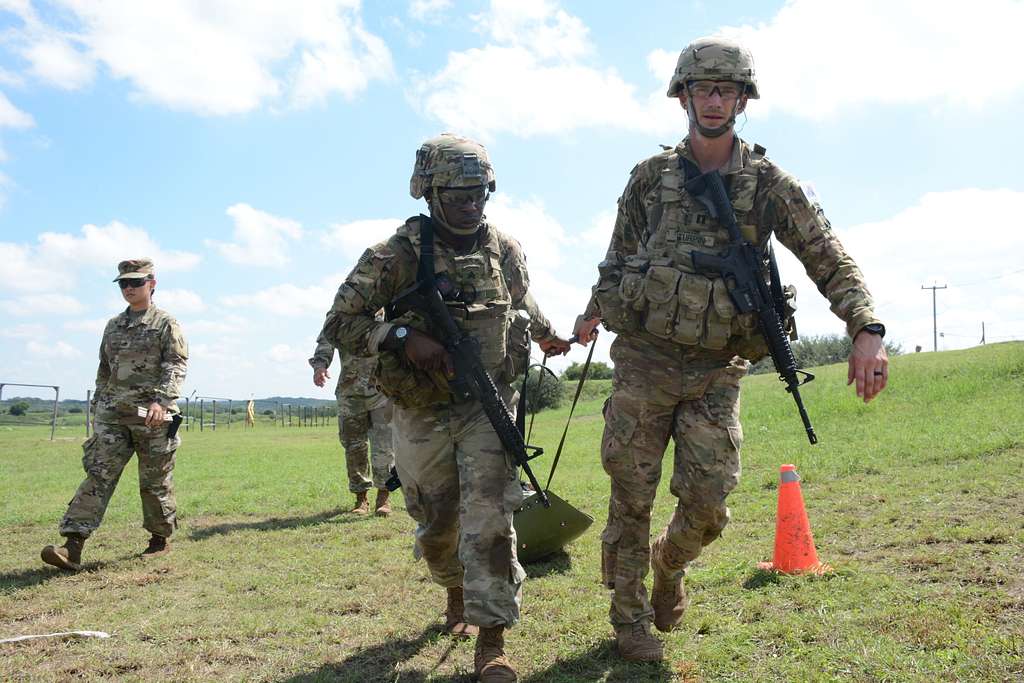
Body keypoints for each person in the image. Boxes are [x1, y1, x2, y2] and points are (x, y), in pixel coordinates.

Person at [573, 37, 889, 661]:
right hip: (645, 360)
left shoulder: (768, 184)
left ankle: (671, 563)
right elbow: (618, 259)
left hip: (719, 368)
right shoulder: (648, 179)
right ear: (683, 96)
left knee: (710, 505)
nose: (715, 101)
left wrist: (866, 327)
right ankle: (629, 619)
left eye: (727, 90)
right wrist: (593, 311)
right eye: (703, 89)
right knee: (630, 497)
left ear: (744, 99)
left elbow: (827, 255)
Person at [322, 133, 571, 682]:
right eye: (457, 191)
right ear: (429, 192)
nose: (471, 201)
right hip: (421, 409)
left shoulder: (503, 246)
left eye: (479, 189)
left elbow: (521, 297)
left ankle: (492, 641)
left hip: (488, 404)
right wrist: (401, 334)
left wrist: (550, 335)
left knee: (490, 518)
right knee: (436, 524)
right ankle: (453, 587)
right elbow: (341, 322)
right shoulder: (396, 254)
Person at [41, 258, 188, 571]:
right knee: (98, 476)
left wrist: (161, 401)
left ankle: (159, 539)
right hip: (114, 416)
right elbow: (104, 370)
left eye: (136, 282)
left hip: (154, 418)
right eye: (123, 283)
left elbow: (175, 364)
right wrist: (99, 407)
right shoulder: (113, 326)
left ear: (152, 283)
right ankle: (72, 546)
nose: (129, 288)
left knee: (154, 482)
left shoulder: (166, 323)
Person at [309, 324, 395, 516]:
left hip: (383, 390)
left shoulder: (387, 311)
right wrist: (320, 365)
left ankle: (384, 497)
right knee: (354, 447)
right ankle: (361, 499)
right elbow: (326, 340)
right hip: (350, 392)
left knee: (385, 447)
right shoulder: (342, 314)